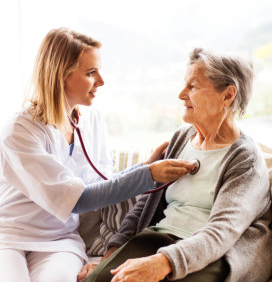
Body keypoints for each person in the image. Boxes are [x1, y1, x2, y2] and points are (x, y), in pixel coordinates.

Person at [0, 28, 194, 282]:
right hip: (10, 236)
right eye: (91, 73)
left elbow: (99, 186)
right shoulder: (20, 130)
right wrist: (148, 175)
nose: (101, 81)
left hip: (60, 240)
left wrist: (146, 166)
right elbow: (79, 200)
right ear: (60, 75)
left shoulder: (91, 121)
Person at [79, 48, 272, 282]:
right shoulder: (182, 138)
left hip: (211, 254)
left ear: (228, 95)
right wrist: (109, 258)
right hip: (157, 240)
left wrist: (163, 263)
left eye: (193, 86)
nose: (181, 94)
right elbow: (144, 206)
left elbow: (222, 231)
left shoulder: (246, 160)